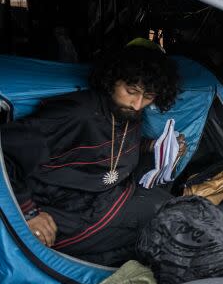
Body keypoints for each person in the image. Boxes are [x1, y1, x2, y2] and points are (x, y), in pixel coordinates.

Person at [2, 42, 183, 266]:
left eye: (148, 96)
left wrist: (151, 147)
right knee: (171, 224)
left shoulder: (127, 112)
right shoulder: (77, 114)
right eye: (131, 92)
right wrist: (28, 212)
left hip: (106, 197)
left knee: (174, 212)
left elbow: (110, 145)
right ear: (111, 81)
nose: (137, 105)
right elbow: (6, 153)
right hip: (67, 210)